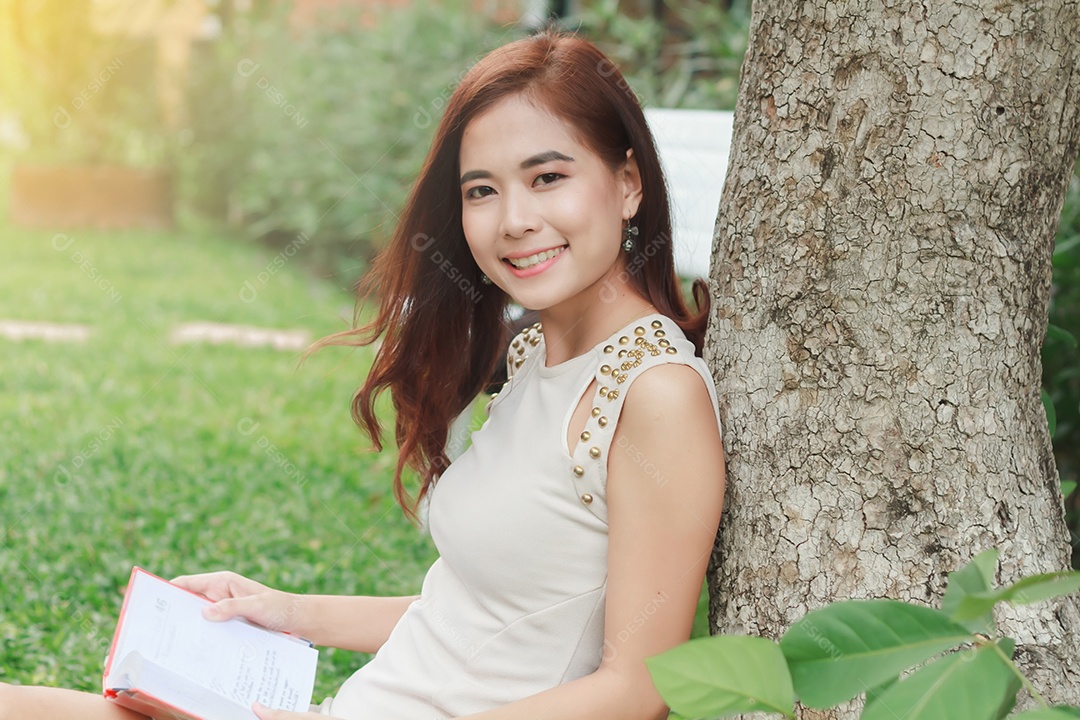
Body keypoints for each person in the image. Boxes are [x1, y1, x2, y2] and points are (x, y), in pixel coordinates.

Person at [0, 29, 725, 720]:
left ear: (627, 183)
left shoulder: (655, 395)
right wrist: (283, 610)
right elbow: (471, 620)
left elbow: (636, 691)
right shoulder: (539, 356)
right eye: (482, 191)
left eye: (548, 177)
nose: (514, 220)